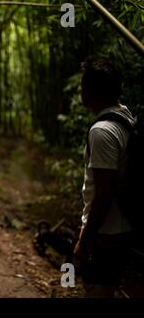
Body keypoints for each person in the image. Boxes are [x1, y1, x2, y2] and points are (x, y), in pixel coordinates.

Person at [73, 57, 135, 298]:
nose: (80, 89)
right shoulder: (125, 116)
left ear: (91, 90)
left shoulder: (102, 131)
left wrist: (86, 239)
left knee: (98, 291)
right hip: (124, 225)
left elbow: (104, 194)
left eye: (83, 84)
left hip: (107, 233)